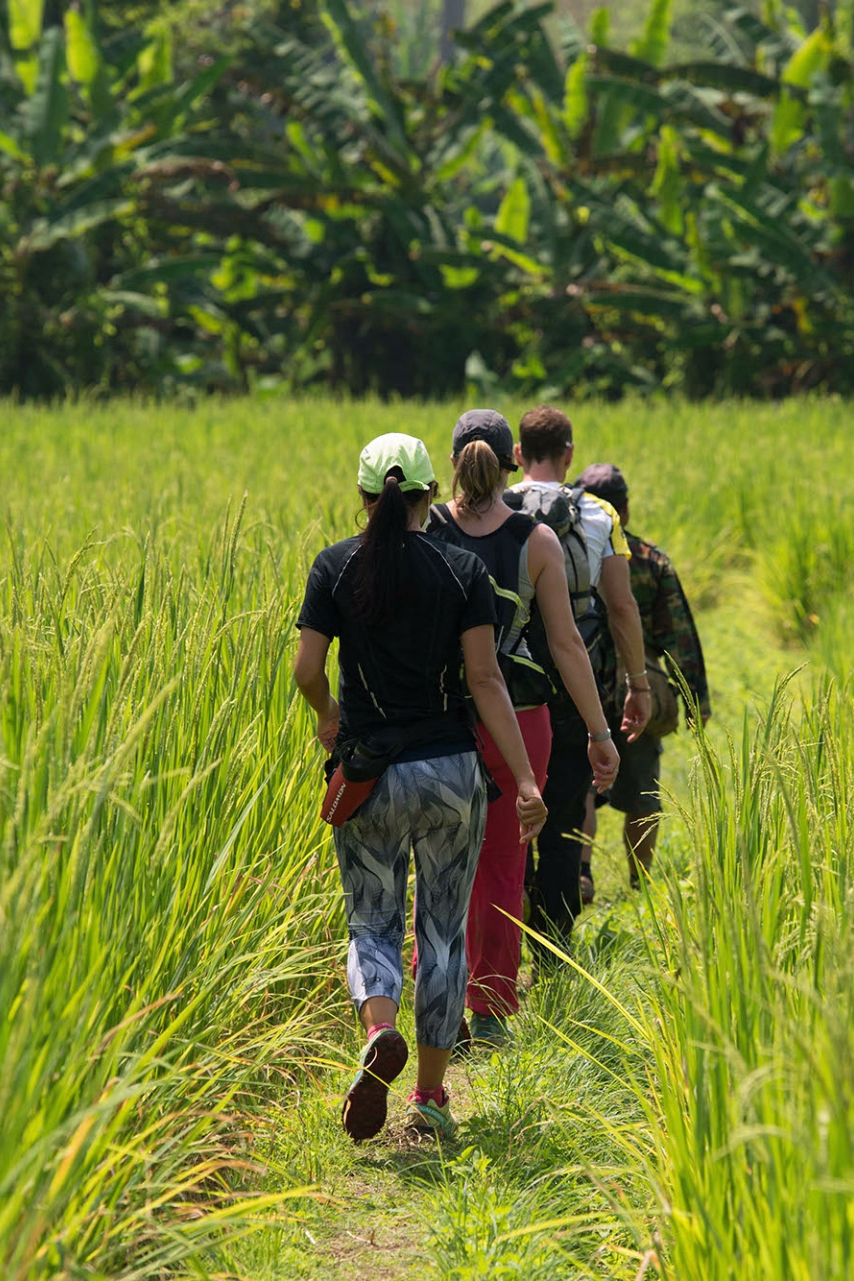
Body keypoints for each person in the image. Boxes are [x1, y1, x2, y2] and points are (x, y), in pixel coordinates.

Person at [292, 432, 546, 1145]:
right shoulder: (461, 569)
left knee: (371, 920)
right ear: (431, 497)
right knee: (442, 932)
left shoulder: (335, 568)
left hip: (369, 775)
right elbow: (486, 679)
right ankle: (430, 1100)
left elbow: (307, 668)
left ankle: (379, 1029)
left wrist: (329, 717)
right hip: (451, 774)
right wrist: (524, 778)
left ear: (365, 497)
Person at [426, 410, 620, 1049]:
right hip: (524, 717)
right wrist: (599, 730)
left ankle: (440, 1011)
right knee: (505, 868)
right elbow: (565, 643)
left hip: (440, 719)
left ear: (450, 459)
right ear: (510, 456)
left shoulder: (425, 530)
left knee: (439, 866)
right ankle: (490, 1012)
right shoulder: (536, 541)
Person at [505, 406, 651, 953]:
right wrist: (637, 682)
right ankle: (556, 958)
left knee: (509, 822)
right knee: (565, 824)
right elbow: (620, 606)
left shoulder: (491, 512)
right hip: (574, 688)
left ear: (518, 454)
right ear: (569, 454)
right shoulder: (600, 516)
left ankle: (504, 948)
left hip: (506, 693)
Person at [577, 463, 712, 889]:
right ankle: (641, 884)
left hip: (581, 683)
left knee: (580, 784)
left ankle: (580, 872)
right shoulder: (651, 562)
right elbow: (680, 637)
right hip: (641, 690)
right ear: (626, 509)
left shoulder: (566, 555)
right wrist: (696, 701)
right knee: (642, 795)